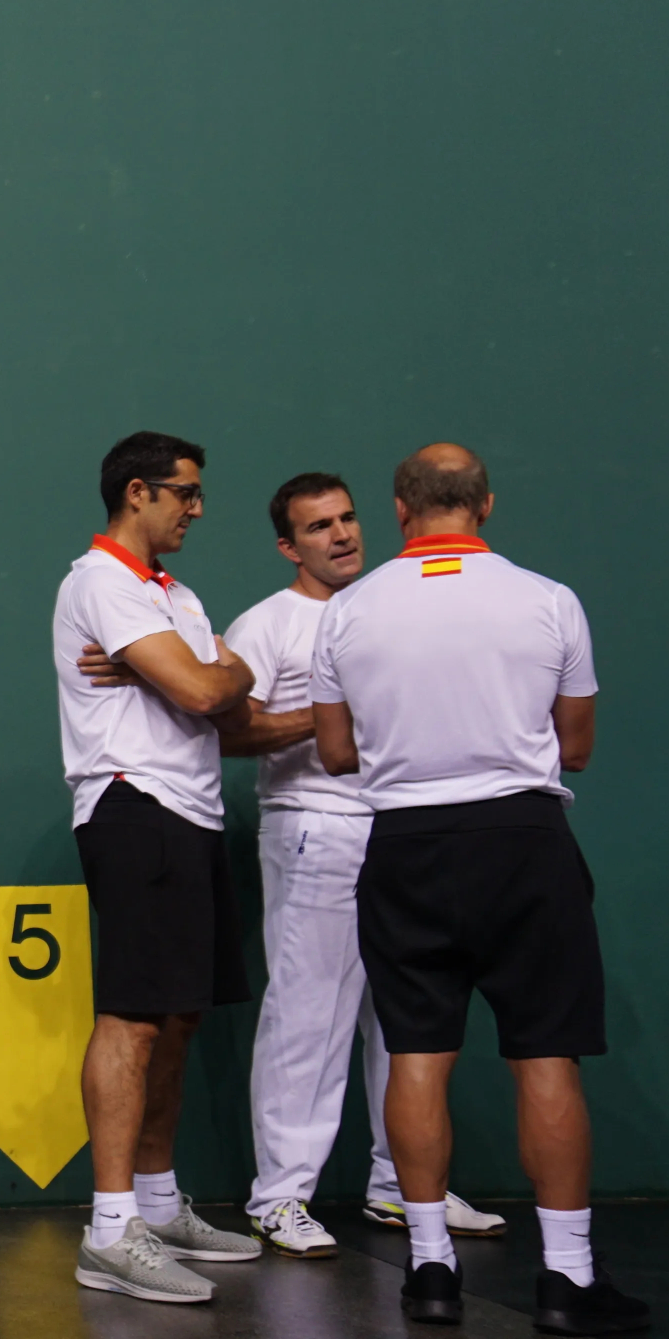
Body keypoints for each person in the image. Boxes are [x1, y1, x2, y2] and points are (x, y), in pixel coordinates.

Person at [312, 443, 647, 1334]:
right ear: (486, 505)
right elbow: (575, 745)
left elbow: (338, 754)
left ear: (398, 510)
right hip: (523, 842)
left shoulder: (346, 614)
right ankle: (567, 1278)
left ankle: (428, 1270)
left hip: (405, 846)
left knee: (418, 1052)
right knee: (544, 1054)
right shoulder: (548, 601)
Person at [208, 474, 509, 1255]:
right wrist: (329, 713)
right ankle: (279, 1197)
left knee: (408, 1018)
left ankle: (403, 1189)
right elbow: (227, 733)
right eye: (318, 528)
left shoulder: (386, 606)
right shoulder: (269, 624)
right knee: (307, 1014)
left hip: (402, 831)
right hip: (316, 831)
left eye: (347, 519)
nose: (341, 536)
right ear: (289, 546)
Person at [51, 432, 264, 1306]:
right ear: (137, 493)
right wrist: (224, 669)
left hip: (194, 812)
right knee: (133, 1021)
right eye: (186, 493)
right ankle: (109, 1231)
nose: (198, 508)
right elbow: (212, 694)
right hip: (133, 809)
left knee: (176, 1021)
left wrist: (211, 669)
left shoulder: (175, 595)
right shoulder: (99, 581)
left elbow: (214, 697)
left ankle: (156, 1202)